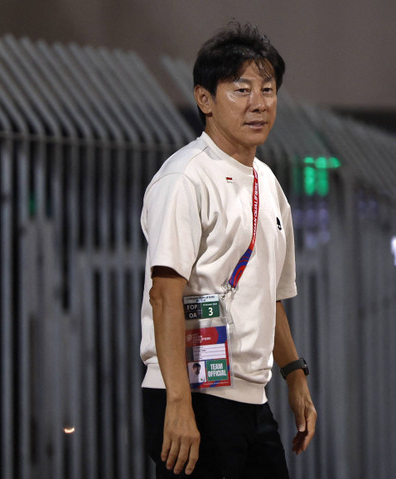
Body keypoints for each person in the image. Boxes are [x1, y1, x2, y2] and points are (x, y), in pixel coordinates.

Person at [139, 22, 317, 478]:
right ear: (205, 100)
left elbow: (268, 294)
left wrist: (294, 375)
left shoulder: (269, 184)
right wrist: (178, 404)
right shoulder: (184, 178)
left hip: (251, 399)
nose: (259, 103)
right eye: (241, 89)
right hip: (191, 396)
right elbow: (164, 294)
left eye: (268, 88)